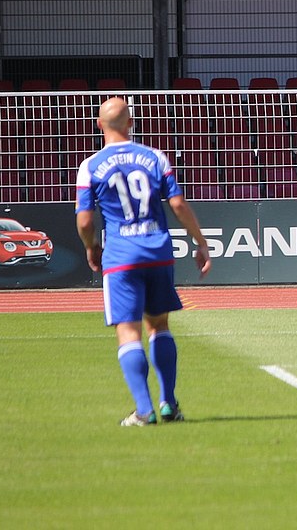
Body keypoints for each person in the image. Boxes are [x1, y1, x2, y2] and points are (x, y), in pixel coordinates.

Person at [76, 97, 211, 426]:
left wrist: (91, 247)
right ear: (131, 123)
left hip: (122, 257)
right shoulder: (154, 157)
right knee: (160, 326)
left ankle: (144, 410)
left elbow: (84, 220)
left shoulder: (90, 166)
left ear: (99, 124)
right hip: (157, 253)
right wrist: (200, 241)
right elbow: (177, 204)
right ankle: (168, 404)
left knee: (128, 331)